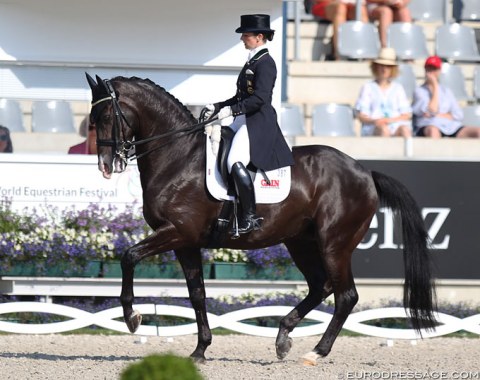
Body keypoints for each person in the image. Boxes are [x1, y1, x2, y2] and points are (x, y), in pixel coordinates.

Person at [203, 14, 295, 236]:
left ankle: (250, 217)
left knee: (235, 161)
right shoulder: (252, 61)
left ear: (259, 37)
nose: (242, 39)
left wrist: (232, 111)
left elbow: (260, 99)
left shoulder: (266, 63)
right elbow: (239, 96)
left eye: (246, 35)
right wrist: (217, 106)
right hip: (243, 119)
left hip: (258, 123)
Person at [412, 56, 480, 138]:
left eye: (434, 69)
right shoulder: (419, 91)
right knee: (433, 132)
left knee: (477, 132)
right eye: (429, 68)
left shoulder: (446, 91)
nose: (431, 72)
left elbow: (458, 115)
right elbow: (433, 109)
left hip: (450, 126)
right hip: (429, 125)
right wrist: (435, 86)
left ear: (439, 71)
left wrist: (439, 115)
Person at [355, 47, 412, 137]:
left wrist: (389, 120)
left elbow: (406, 115)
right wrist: (376, 121)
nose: (384, 69)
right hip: (374, 126)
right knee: (384, 130)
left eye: (388, 66)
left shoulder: (398, 88)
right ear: (376, 67)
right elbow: (362, 116)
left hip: (395, 125)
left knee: (405, 130)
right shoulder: (368, 87)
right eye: (382, 65)